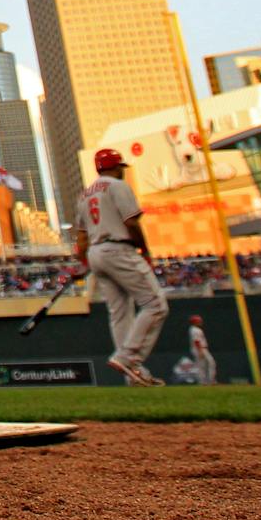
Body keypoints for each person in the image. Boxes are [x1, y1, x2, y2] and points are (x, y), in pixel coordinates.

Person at [77, 147, 168, 386]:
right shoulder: (117, 186)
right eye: (121, 167)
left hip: (96, 252)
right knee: (155, 305)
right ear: (116, 167)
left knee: (120, 314)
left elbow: (81, 239)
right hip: (118, 248)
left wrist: (84, 261)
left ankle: (133, 375)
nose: (122, 172)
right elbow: (131, 223)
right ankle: (127, 358)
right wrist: (145, 251)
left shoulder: (85, 194)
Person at [188, 313, 217, 386]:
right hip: (200, 349)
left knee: (206, 364)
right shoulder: (194, 330)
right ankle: (205, 381)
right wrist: (200, 351)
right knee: (205, 364)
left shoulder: (195, 329)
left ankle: (208, 381)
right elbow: (196, 341)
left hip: (200, 348)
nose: (200, 322)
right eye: (199, 321)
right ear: (195, 322)